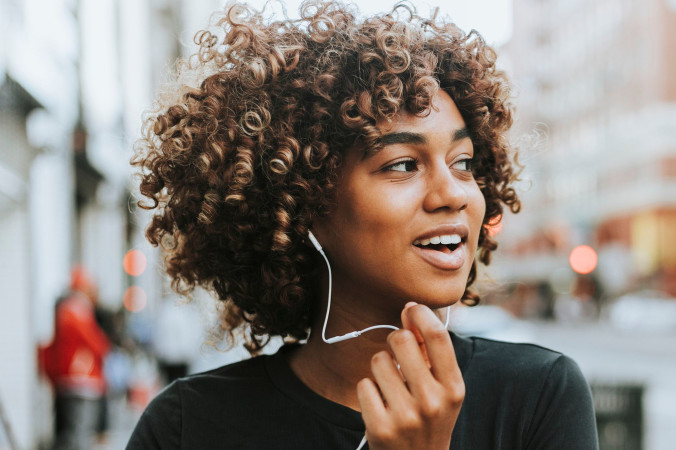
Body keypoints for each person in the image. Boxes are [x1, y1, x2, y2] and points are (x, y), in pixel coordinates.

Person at [127, 1, 599, 449]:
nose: (453, 193)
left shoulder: (538, 398)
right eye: (402, 165)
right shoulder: (189, 428)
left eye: (464, 162)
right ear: (303, 203)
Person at [39, 267, 112, 450]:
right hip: (81, 379)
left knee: (74, 431)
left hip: (70, 379)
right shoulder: (76, 310)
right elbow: (97, 344)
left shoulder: (67, 309)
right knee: (79, 431)